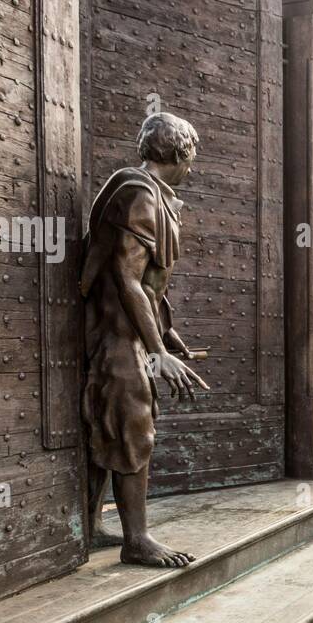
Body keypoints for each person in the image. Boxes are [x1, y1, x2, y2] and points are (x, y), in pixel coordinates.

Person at [80, 113, 210, 568]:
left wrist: (170, 339)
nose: (193, 166)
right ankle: (136, 539)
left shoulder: (157, 197)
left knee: (109, 426)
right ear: (179, 153)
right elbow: (127, 278)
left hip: (132, 332)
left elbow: (152, 287)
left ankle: (91, 524)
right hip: (119, 337)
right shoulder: (138, 195)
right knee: (134, 426)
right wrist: (156, 352)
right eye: (191, 155)